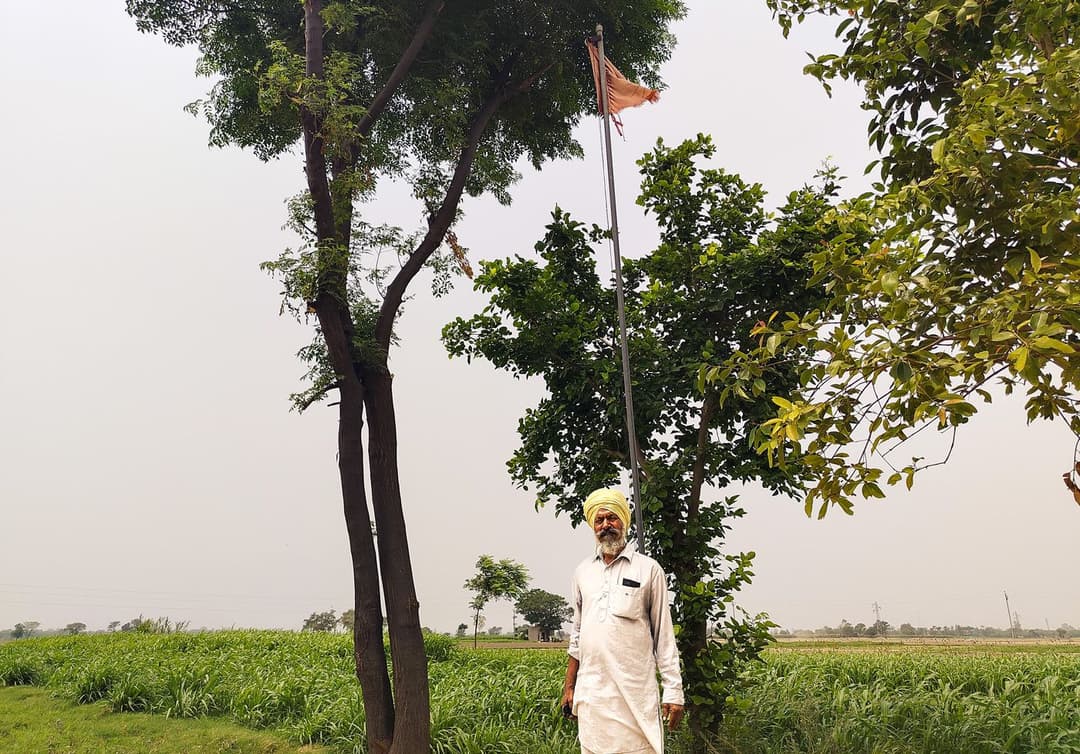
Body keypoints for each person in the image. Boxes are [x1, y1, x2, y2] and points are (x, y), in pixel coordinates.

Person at [561, 487, 684, 754]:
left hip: (634, 695)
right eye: (600, 520)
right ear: (593, 526)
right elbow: (577, 635)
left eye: (612, 518)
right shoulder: (583, 572)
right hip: (593, 694)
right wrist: (569, 687)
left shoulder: (649, 569)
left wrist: (674, 691)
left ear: (623, 522)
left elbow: (664, 637)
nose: (606, 525)